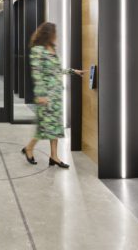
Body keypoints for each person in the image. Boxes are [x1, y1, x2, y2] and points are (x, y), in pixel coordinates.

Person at [21, 22, 84, 168]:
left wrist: (73, 71)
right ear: (48, 34)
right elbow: (37, 74)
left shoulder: (52, 48)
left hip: (56, 96)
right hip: (45, 96)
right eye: (55, 33)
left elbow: (56, 69)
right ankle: (29, 148)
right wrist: (41, 95)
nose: (56, 36)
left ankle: (54, 156)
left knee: (55, 126)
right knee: (44, 126)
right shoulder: (37, 50)